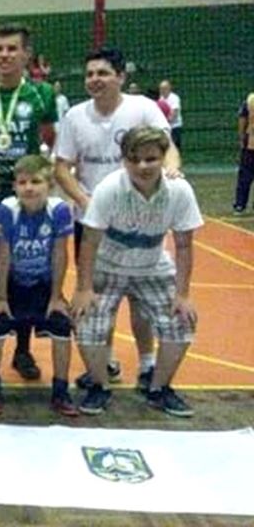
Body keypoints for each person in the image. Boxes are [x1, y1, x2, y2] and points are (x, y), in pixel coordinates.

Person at [54, 46, 180, 392]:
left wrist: (171, 172)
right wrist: (84, 200)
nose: (95, 80)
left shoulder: (143, 108)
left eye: (103, 73)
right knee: (96, 297)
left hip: (142, 218)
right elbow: (62, 166)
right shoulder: (75, 117)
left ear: (121, 76)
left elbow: (167, 147)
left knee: (140, 295)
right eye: (90, 74)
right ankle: (105, 361)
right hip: (92, 223)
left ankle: (147, 362)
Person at [71, 126, 202, 417]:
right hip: (108, 265)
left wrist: (182, 294)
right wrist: (83, 288)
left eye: (151, 159)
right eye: (134, 159)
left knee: (182, 323)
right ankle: (99, 386)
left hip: (153, 266)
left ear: (163, 158)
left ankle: (159, 388)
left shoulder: (179, 190)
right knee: (86, 321)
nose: (143, 166)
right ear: (124, 160)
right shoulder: (110, 188)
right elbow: (90, 242)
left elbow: (183, 245)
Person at [0, 23, 57, 382]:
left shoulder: (41, 96)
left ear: (26, 55)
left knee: (24, 273)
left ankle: (22, 351)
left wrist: (35, 185)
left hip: (25, 203)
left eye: (12, 49)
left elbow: (49, 141)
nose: (4, 55)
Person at [0, 155, 76, 416]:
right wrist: (1, 297)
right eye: (22, 182)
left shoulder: (59, 211)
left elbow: (60, 254)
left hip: (43, 282)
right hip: (11, 281)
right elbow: (3, 255)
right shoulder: (7, 209)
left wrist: (56, 296)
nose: (29, 188)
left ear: (49, 185)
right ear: (14, 186)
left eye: (36, 182)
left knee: (61, 326)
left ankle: (60, 391)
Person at [234, 93, 254, 214]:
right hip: (250, 143)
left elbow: (242, 119)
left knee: (245, 176)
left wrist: (241, 138)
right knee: (245, 176)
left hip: (250, 143)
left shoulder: (250, 100)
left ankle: (240, 204)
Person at [158, 80, 183, 151]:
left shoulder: (174, 98)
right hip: (165, 128)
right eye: (161, 89)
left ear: (169, 88)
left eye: (164, 88)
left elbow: (175, 113)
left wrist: (166, 120)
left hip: (174, 127)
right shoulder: (161, 98)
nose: (162, 90)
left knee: (174, 148)